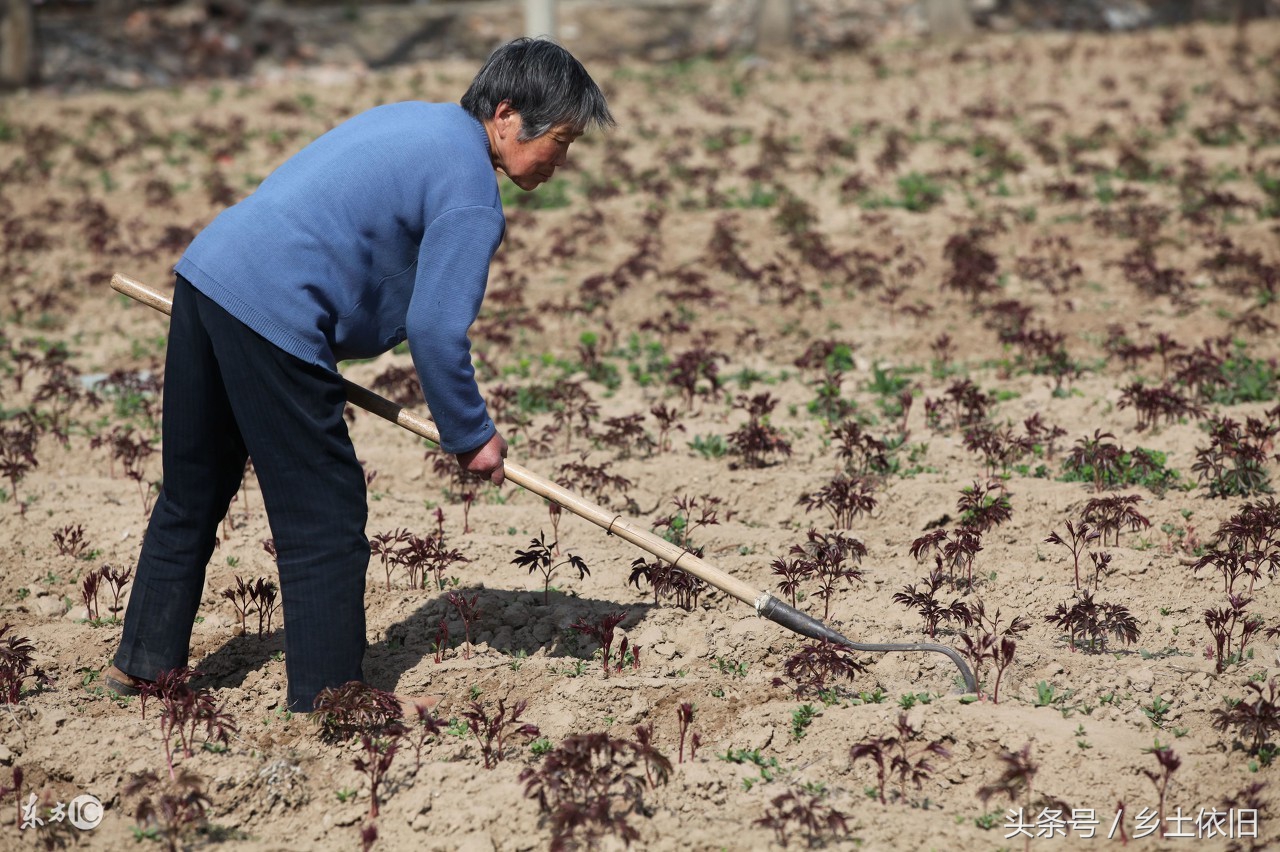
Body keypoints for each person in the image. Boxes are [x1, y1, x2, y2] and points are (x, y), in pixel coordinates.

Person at [104, 37, 614, 713]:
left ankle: (143, 662)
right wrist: (472, 434)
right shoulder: (470, 194)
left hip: (211, 277)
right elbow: (435, 329)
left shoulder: (417, 121)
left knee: (193, 488)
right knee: (324, 514)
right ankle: (330, 695)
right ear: (506, 113)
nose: (562, 160)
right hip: (276, 312)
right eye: (562, 139)